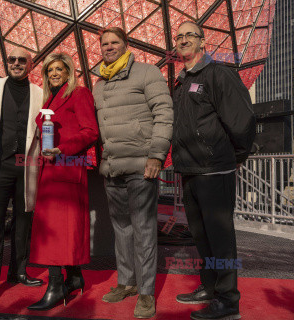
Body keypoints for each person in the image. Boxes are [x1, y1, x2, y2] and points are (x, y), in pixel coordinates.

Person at [172, 21, 255, 320]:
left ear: (203, 42)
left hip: (214, 172)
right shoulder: (182, 83)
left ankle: (228, 300)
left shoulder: (219, 74)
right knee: (201, 237)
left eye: (189, 36)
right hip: (190, 171)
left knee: (221, 239)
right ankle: (210, 287)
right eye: (178, 37)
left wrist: (237, 156)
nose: (182, 40)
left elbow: (242, 120)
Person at [92, 27, 173, 319]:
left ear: (125, 46)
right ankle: (127, 282)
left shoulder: (147, 73)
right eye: (104, 44)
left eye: (114, 42)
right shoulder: (99, 84)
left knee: (143, 229)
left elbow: (164, 112)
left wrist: (156, 155)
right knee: (121, 229)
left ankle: (147, 292)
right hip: (112, 166)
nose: (109, 47)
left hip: (142, 166)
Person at [27, 52, 99, 311]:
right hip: (51, 171)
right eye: (50, 70)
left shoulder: (78, 94)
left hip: (67, 169)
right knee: (58, 230)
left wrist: (63, 149)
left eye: (59, 69)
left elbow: (90, 131)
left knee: (57, 232)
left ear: (69, 72)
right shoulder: (52, 99)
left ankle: (56, 286)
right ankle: (75, 277)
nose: (54, 74)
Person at [0, 47, 43, 304]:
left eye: (22, 60)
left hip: (27, 165)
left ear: (30, 64)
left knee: (24, 221)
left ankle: (19, 271)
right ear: (7, 62)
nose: (16, 63)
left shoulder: (40, 92)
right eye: (12, 59)